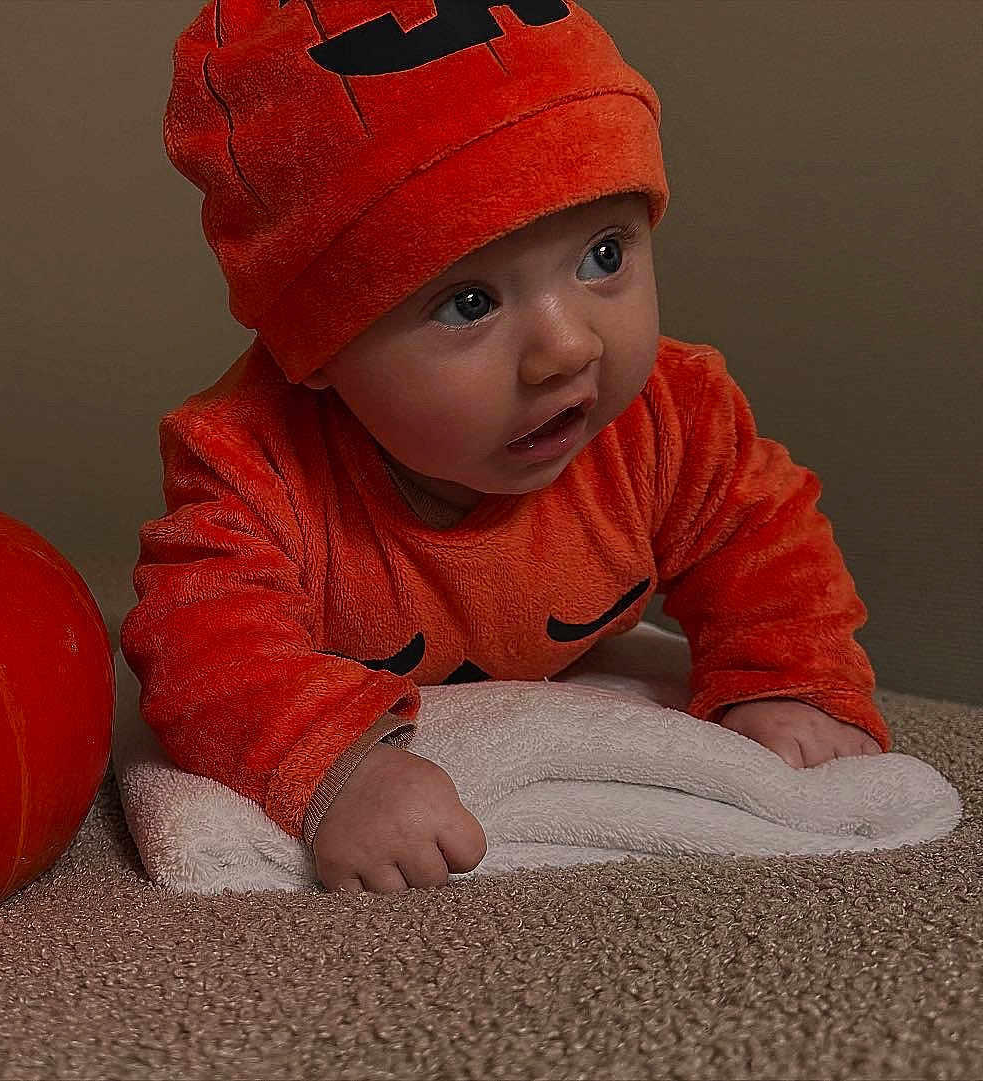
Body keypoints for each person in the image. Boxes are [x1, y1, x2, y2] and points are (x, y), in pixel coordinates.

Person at [120, 0, 889, 895]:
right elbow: (200, 643)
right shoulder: (255, 462)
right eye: (469, 304)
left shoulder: (672, 417)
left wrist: (788, 677)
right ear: (318, 351)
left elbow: (764, 545)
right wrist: (337, 768)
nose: (568, 348)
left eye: (605, 254)